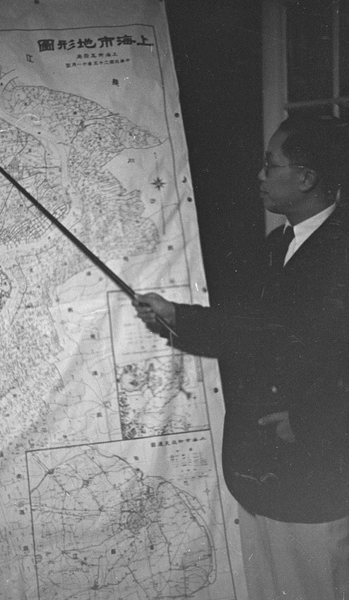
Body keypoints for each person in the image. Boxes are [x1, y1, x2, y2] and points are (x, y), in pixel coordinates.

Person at [133, 115, 349, 600]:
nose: (260, 175)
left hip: (317, 475)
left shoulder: (342, 251)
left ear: (307, 178)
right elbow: (248, 328)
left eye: (271, 165)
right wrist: (174, 318)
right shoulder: (279, 246)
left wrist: (309, 422)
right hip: (263, 473)